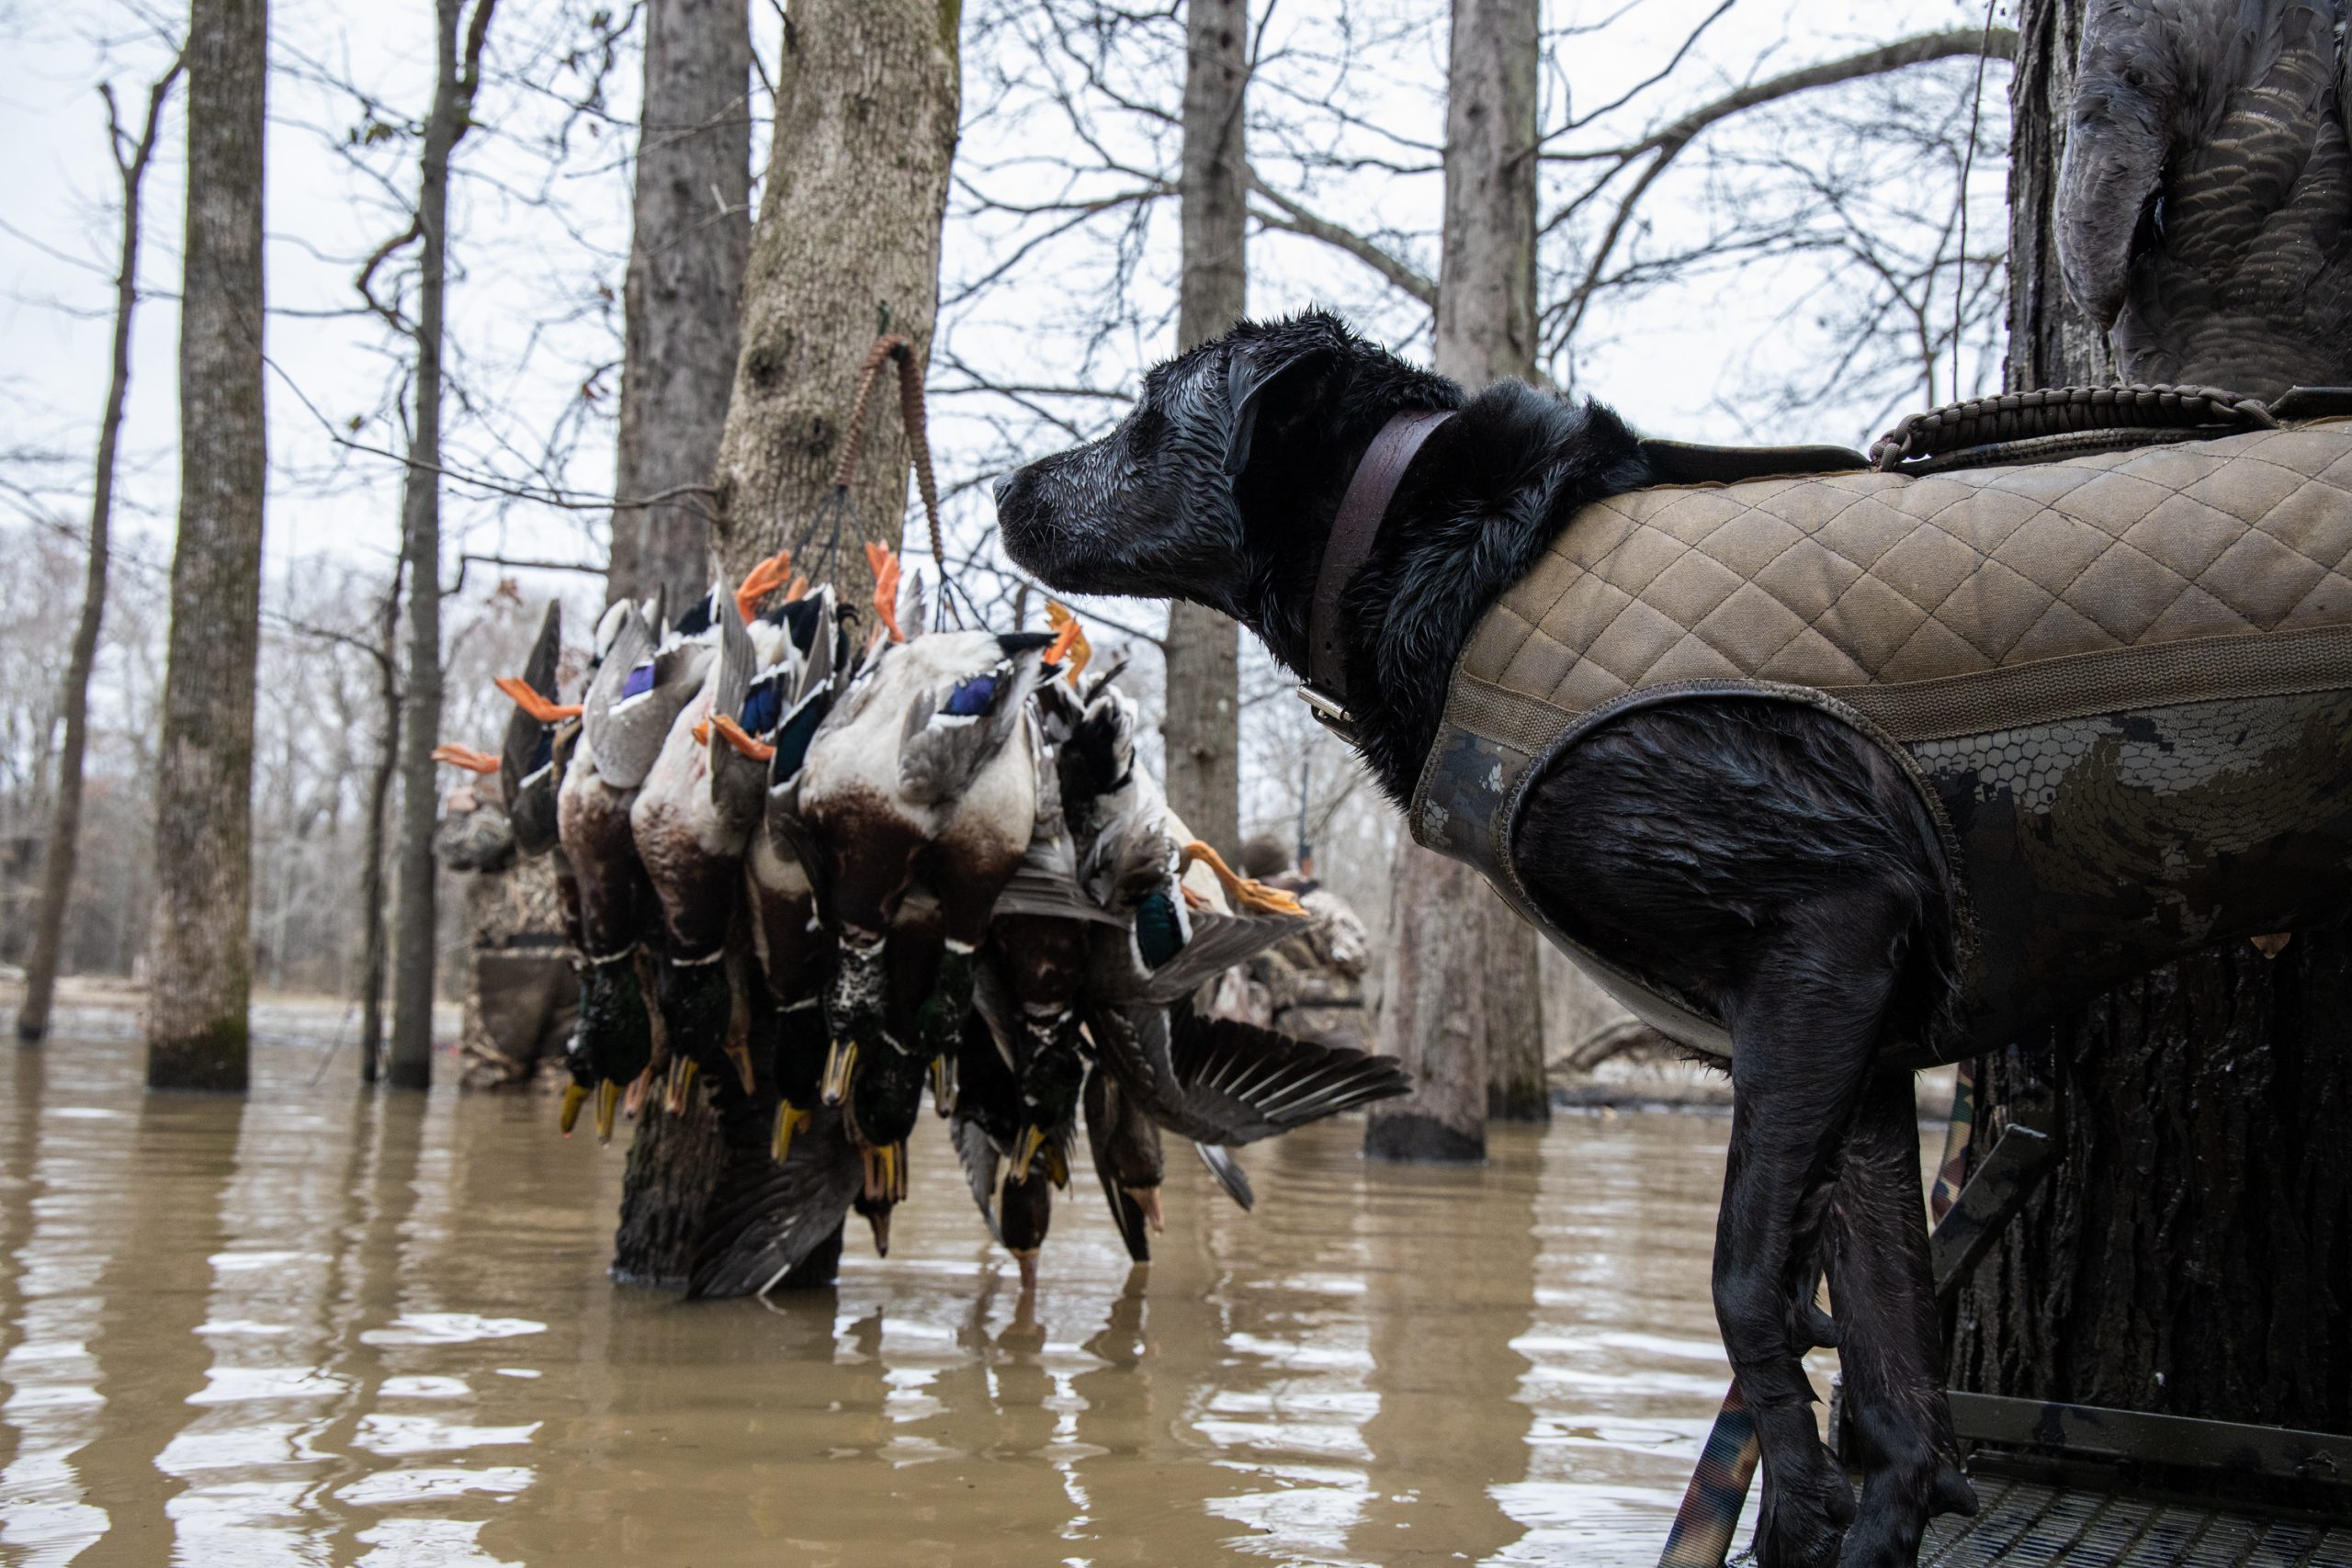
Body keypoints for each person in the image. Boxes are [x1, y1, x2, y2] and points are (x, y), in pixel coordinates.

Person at [433, 783, 576, 1089]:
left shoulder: (507, 800)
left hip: (509, 965)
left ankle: (490, 1123)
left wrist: (458, 813)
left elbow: (458, 849)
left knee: (490, 1077)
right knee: (559, 1078)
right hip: (576, 957)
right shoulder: (576, 792)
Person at [1230, 831, 1370, 1051]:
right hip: (1323, 1039)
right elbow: (1359, 957)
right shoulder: (1323, 904)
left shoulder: (1256, 915)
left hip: (1317, 1039)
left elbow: (1357, 957)